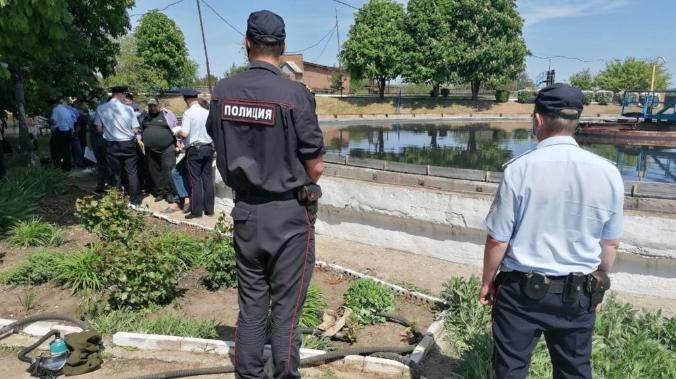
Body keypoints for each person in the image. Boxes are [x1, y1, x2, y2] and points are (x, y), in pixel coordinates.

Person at [207, 10, 325, 378]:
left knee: (252, 306)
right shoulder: (295, 94)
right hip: (289, 215)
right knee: (287, 309)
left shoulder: (223, 91)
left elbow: (217, 137)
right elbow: (316, 164)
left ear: (246, 44)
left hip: (246, 212)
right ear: (284, 48)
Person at [481, 83, 624, 379]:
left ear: (537, 120)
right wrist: (598, 285)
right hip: (579, 292)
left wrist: (487, 282)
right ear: (576, 121)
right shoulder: (609, 172)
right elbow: (610, 244)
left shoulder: (519, 169)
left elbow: (498, 238)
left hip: (521, 292)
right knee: (574, 371)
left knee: (509, 370)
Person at [94, 86, 143, 205]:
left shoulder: (101, 108)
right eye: (125, 95)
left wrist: (110, 129)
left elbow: (99, 129)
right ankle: (135, 199)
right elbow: (135, 129)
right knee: (132, 172)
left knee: (114, 172)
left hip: (112, 144)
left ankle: (116, 198)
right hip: (127, 143)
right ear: (121, 94)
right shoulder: (129, 109)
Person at [172, 88, 214, 219]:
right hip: (208, 147)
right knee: (207, 180)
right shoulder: (206, 112)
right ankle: (209, 210)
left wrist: (176, 131)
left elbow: (185, 133)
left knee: (195, 181)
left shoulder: (188, 113)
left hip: (195, 150)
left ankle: (196, 211)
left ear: (187, 99)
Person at [139, 98, 179, 203]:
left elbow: (175, 128)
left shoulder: (167, 114)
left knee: (168, 170)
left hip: (167, 148)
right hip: (150, 149)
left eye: (154, 105)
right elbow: (138, 128)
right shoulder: (144, 116)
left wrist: (178, 142)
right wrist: (139, 139)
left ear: (159, 105)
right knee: (154, 172)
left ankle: (170, 193)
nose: (152, 108)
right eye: (150, 106)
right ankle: (160, 192)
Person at [49, 98, 77, 171]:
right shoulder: (67, 110)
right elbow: (73, 120)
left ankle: (57, 166)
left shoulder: (56, 109)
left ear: (55, 104)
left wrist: (49, 121)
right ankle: (67, 167)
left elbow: (54, 121)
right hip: (68, 131)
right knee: (66, 150)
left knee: (55, 150)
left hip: (59, 132)